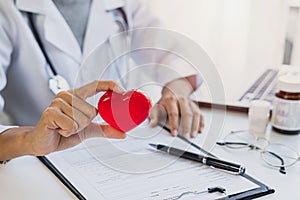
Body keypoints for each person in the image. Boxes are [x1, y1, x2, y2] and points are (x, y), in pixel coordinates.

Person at [0, 0, 204, 162]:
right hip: (34, 160)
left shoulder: (124, 4)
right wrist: (29, 141)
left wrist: (175, 93)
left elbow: (172, 55)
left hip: (113, 152)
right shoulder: (6, 9)